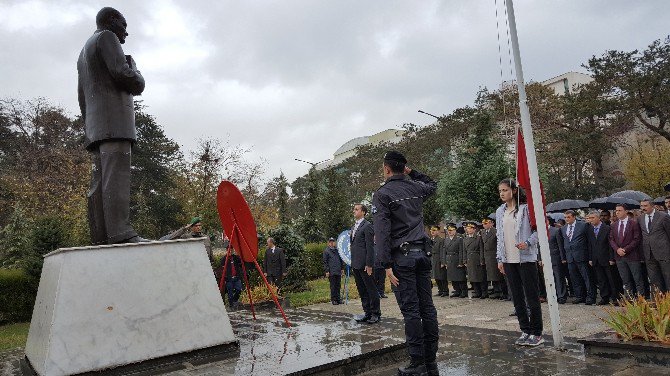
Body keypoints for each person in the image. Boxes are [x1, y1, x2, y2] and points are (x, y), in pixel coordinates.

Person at [78, 7, 146, 245]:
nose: (126, 34)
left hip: (97, 127)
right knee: (116, 178)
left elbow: (82, 96)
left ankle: (102, 236)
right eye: (124, 26)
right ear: (112, 21)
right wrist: (136, 72)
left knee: (99, 183)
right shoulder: (107, 38)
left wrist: (89, 127)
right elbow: (124, 75)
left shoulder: (83, 52)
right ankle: (121, 233)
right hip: (115, 123)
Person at [373, 151, 439, 376]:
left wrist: (386, 265)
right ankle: (430, 361)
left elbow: (382, 233)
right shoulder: (415, 187)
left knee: (411, 311)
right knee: (427, 308)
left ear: (387, 169)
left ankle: (417, 362)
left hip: (402, 259)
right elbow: (432, 183)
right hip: (422, 255)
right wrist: (411, 172)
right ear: (404, 168)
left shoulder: (382, 194)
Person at [495, 179, 544, 346]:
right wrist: (500, 258)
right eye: (500, 190)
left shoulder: (526, 209)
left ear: (514, 191)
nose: (502, 193)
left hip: (525, 258)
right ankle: (525, 330)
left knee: (531, 296)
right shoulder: (500, 211)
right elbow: (500, 237)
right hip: (509, 259)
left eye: (505, 190)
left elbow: (539, 230)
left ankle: (536, 333)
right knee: (516, 297)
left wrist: (528, 243)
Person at [350, 203, 381, 324]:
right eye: (354, 209)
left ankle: (375, 313)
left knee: (371, 290)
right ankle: (367, 312)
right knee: (362, 290)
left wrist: (369, 265)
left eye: (356, 209)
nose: (354, 211)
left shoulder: (367, 226)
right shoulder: (354, 227)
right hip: (356, 264)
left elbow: (370, 247)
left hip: (365, 265)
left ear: (363, 212)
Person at [609, 204, 645, 299]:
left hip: (632, 256)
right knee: (625, 279)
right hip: (619, 257)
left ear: (626, 211)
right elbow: (611, 240)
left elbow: (637, 239)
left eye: (620, 210)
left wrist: (625, 249)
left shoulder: (633, 223)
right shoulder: (614, 225)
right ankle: (628, 298)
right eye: (616, 210)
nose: (617, 212)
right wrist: (617, 249)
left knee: (637, 279)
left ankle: (641, 298)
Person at [561, 210, 596, 305]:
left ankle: (591, 296)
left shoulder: (583, 225)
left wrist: (590, 257)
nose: (566, 219)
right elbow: (564, 243)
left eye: (568, 217)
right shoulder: (563, 228)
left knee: (587, 277)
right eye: (565, 217)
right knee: (575, 278)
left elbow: (590, 242)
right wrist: (564, 257)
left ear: (574, 217)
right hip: (570, 257)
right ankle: (580, 296)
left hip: (582, 256)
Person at [637, 199, 670, 293]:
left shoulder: (663, 216)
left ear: (652, 206)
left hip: (664, 254)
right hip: (649, 254)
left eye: (645, 206)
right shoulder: (640, 218)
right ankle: (658, 303)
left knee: (668, 278)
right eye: (641, 206)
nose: (643, 208)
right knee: (654, 280)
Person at [586, 210, 616, 305]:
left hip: (606, 258)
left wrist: (611, 258)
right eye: (590, 218)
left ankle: (615, 297)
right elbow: (590, 245)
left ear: (598, 218)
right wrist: (590, 258)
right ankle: (604, 297)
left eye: (593, 218)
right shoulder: (590, 229)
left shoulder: (607, 228)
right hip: (595, 259)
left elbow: (610, 244)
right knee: (601, 280)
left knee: (611, 279)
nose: (591, 220)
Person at [463, 222, 487, 298]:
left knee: (480, 276)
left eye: (470, 228)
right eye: (467, 228)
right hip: (469, 259)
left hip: (477, 258)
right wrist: (464, 260)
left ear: (474, 229)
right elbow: (464, 251)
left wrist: (481, 260)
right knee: (472, 277)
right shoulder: (465, 238)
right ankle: (477, 292)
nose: (468, 230)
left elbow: (481, 249)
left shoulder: (478, 238)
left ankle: (484, 292)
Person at [481, 218, 503, 299]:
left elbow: (498, 244)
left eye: (486, 223)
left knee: (497, 274)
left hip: (494, 255)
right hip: (487, 255)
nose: (484, 225)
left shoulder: (495, 231)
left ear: (491, 223)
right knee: (490, 274)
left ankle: (501, 291)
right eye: (483, 224)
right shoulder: (482, 232)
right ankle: (496, 290)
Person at [547, 218, 568, 304]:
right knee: (549, 279)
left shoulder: (555, 231)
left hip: (556, 258)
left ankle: (561, 296)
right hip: (546, 260)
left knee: (559, 277)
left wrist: (563, 258)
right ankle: (552, 296)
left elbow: (560, 245)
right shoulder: (539, 231)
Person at [443, 223, 466, 298]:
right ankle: (457, 290)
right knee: (452, 277)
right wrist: (444, 262)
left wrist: (461, 262)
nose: (449, 232)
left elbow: (461, 251)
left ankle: (463, 291)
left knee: (460, 276)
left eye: (451, 230)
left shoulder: (459, 239)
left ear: (455, 230)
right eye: (448, 230)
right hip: (449, 259)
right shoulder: (446, 239)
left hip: (456, 258)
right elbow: (444, 251)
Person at [323, 237, 344, 305]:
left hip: (338, 270)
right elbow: (325, 262)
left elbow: (341, 260)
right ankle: (334, 299)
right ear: (328, 243)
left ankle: (338, 299)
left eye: (333, 241)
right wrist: (327, 271)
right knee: (333, 286)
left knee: (338, 285)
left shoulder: (337, 250)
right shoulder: (326, 251)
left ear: (335, 242)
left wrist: (342, 269)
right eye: (330, 241)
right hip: (331, 272)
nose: (332, 243)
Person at [430, 225, 448, 297]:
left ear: (438, 231)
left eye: (434, 230)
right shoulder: (431, 239)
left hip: (439, 258)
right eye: (431, 230)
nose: (432, 232)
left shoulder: (441, 240)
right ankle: (440, 290)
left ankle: (445, 290)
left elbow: (442, 251)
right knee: (436, 276)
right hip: (433, 258)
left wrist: (443, 262)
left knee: (442, 276)